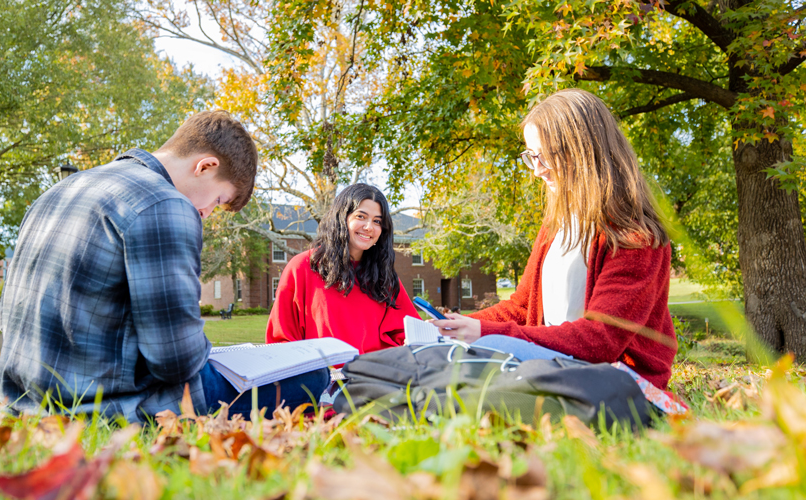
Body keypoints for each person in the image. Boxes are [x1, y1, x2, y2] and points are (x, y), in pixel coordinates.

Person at [0, 111, 329, 423]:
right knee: (313, 375)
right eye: (217, 201)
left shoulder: (59, 191)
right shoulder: (165, 203)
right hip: (105, 405)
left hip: (24, 398)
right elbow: (175, 362)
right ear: (206, 166)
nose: (207, 213)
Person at [433, 89, 677, 390]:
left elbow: (600, 340)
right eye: (531, 156)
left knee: (484, 352)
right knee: (450, 355)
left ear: (583, 150)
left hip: (618, 381)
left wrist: (483, 332)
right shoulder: (555, 225)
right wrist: (459, 325)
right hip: (552, 362)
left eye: (545, 156)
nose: (537, 170)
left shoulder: (633, 236)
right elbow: (521, 308)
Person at [266, 183, 420, 354]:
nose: (369, 227)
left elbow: (409, 334)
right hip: (322, 378)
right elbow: (281, 339)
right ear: (341, 218)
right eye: (361, 216)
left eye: (377, 221)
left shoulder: (384, 275)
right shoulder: (302, 267)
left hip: (375, 375)